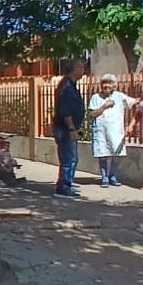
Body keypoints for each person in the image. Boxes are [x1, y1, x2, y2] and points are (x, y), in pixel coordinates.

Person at [88, 74, 137, 188]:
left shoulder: (119, 96)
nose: (106, 85)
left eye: (109, 83)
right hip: (101, 131)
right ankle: (104, 177)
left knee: (116, 153)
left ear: (114, 85)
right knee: (102, 153)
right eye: (104, 83)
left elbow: (133, 102)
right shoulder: (95, 97)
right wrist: (104, 107)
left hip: (116, 130)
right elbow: (91, 114)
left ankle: (113, 176)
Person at [53, 59, 86, 198]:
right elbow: (65, 111)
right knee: (69, 158)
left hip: (70, 128)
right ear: (74, 69)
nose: (83, 70)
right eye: (80, 67)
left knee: (71, 157)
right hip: (65, 129)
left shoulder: (71, 85)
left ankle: (67, 183)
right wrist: (72, 129)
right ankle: (64, 187)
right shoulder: (66, 87)